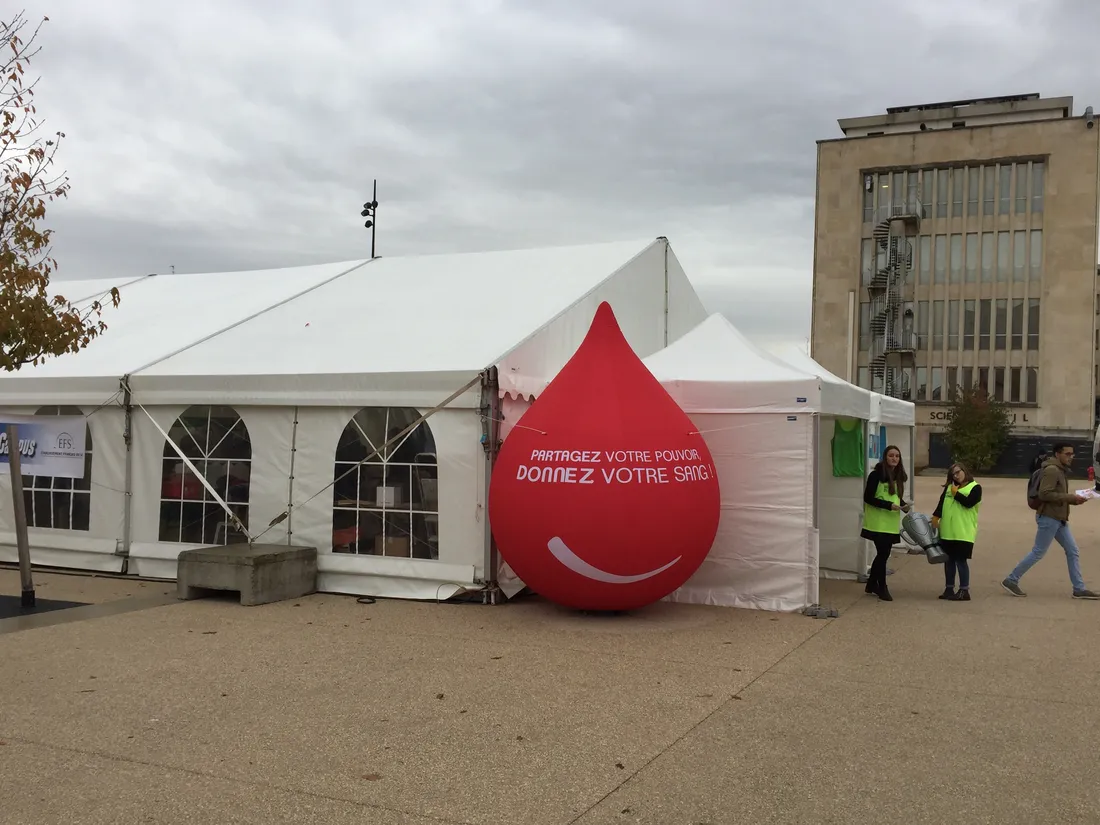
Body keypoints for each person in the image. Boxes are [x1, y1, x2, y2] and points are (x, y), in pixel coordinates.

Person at [1002, 442, 1100, 599]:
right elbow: (1044, 494)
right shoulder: (1052, 470)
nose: (1071, 457)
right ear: (1057, 454)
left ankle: (1079, 588)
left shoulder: (1059, 470)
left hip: (1058, 518)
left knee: (1072, 551)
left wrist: (1074, 498)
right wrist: (1072, 498)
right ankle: (1011, 579)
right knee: (1038, 552)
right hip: (1049, 517)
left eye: (1072, 454)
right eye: (1067, 454)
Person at [862, 445, 910, 602]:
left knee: (884, 554)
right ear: (885, 457)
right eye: (891, 455)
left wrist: (903, 505)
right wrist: (888, 506)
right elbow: (868, 497)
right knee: (883, 554)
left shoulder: (897, 476)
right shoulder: (876, 475)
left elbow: (894, 496)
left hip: (890, 522)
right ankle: (881, 586)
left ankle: (871, 584)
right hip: (877, 522)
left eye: (897, 456)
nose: (894, 458)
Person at [931, 463, 981, 601]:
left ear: (965, 471)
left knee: (961, 561)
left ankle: (964, 590)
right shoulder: (949, 488)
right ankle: (949, 588)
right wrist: (936, 518)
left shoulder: (975, 487)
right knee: (948, 561)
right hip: (947, 530)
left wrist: (956, 494)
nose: (956, 475)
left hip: (963, 532)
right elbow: (941, 504)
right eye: (953, 474)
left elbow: (969, 503)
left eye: (958, 472)